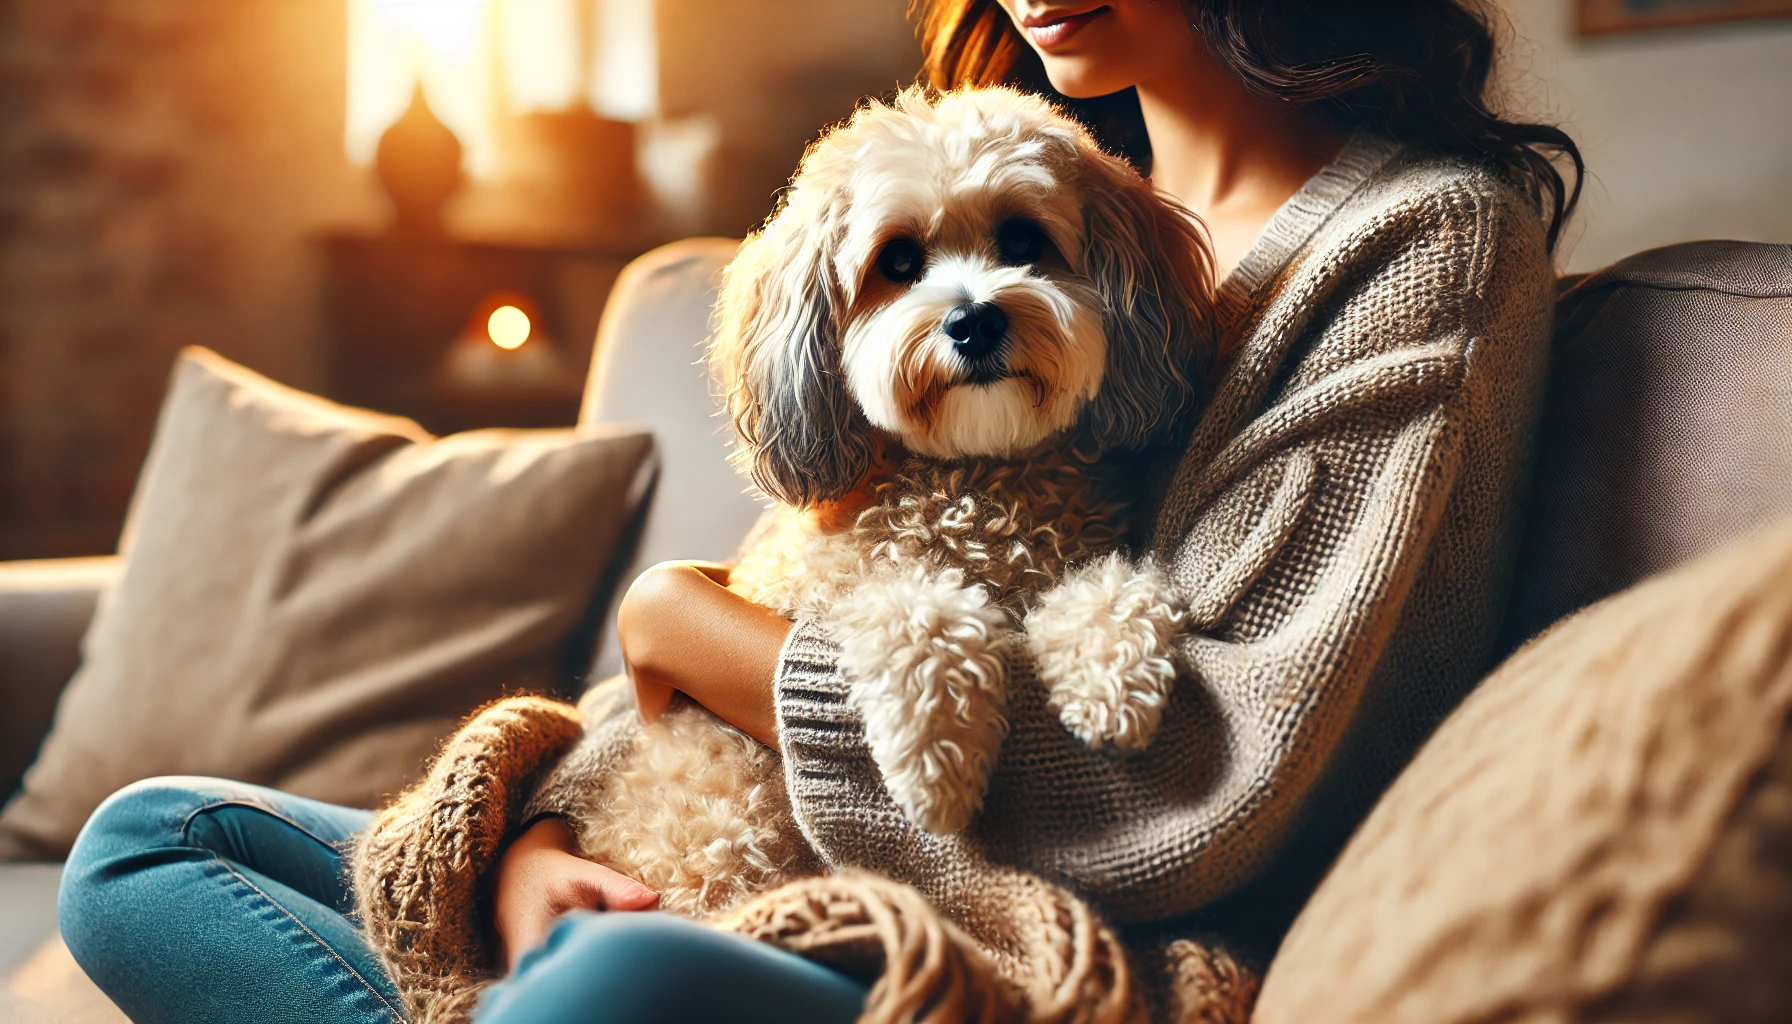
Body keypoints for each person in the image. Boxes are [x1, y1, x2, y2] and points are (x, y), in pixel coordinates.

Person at [59, 1, 1580, 1021]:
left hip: (1011, 927)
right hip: (740, 846)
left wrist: (682, 622)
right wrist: (538, 833)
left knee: (615, 990)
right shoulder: (1054, 182)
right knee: (148, 844)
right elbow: (821, 584)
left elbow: (1189, 793)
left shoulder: (1419, 244)